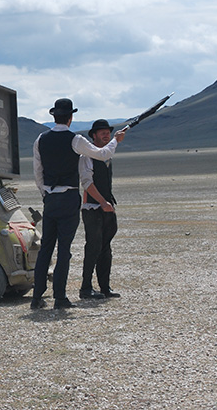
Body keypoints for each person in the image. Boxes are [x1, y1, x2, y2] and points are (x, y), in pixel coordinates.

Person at [31, 99, 125, 310]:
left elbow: (38, 171)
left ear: (54, 116)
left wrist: (45, 193)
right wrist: (116, 140)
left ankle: (37, 297)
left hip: (51, 198)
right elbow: (103, 154)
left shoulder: (40, 139)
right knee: (64, 249)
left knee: (46, 246)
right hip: (69, 197)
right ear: (70, 118)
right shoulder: (75, 140)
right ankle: (60, 297)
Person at [79, 119, 121, 300]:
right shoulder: (86, 156)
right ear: (93, 136)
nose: (106, 135)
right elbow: (87, 183)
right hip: (92, 208)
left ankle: (104, 286)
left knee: (106, 248)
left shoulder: (106, 155)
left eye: (108, 132)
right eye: (102, 132)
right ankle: (85, 287)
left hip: (106, 207)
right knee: (93, 248)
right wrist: (103, 203)